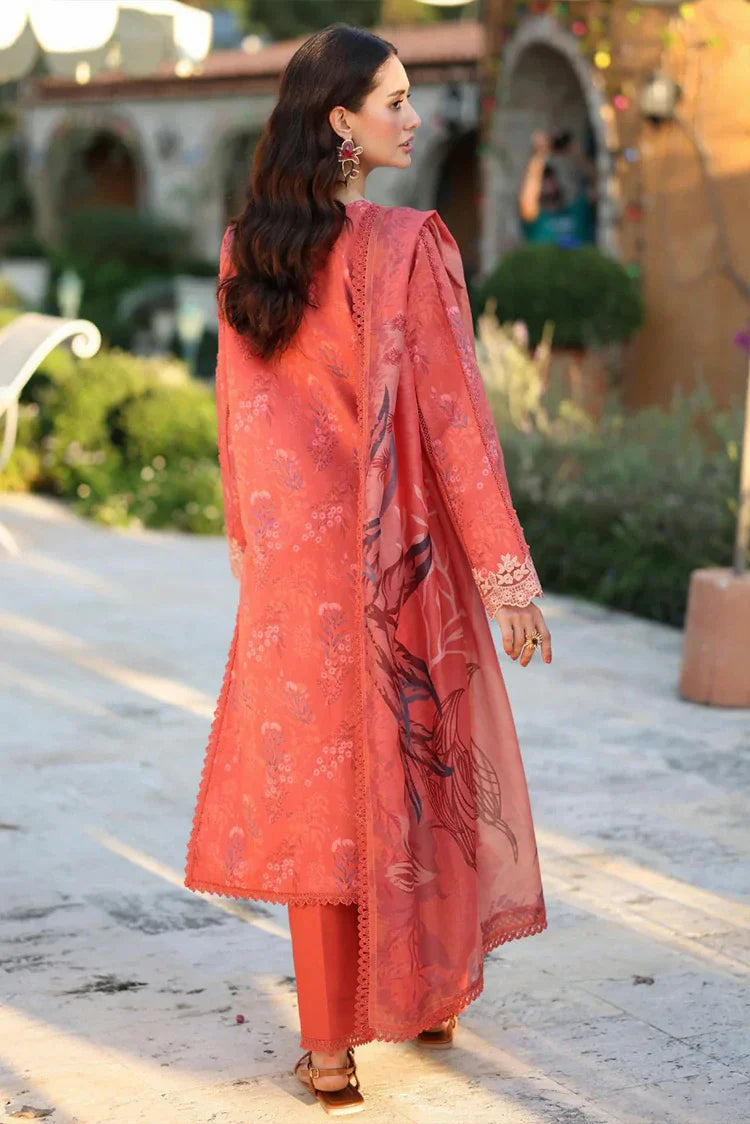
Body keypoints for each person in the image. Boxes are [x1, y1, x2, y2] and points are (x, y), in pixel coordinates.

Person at [183, 24, 552, 1117]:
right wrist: (506, 577)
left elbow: (237, 422)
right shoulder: (404, 247)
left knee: (321, 805)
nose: (414, 117)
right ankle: (427, 991)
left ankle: (330, 1054)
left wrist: (256, 553)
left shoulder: (246, 249)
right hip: (396, 564)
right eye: (394, 100)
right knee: (418, 774)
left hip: (293, 575)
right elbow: (454, 423)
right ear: (340, 121)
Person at [519, 128, 597, 247]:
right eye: (543, 181)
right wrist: (539, 155)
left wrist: (576, 152)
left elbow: (600, 185)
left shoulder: (577, 211)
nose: (548, 184)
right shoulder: (535, 220)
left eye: (551, 179)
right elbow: (528, 198)